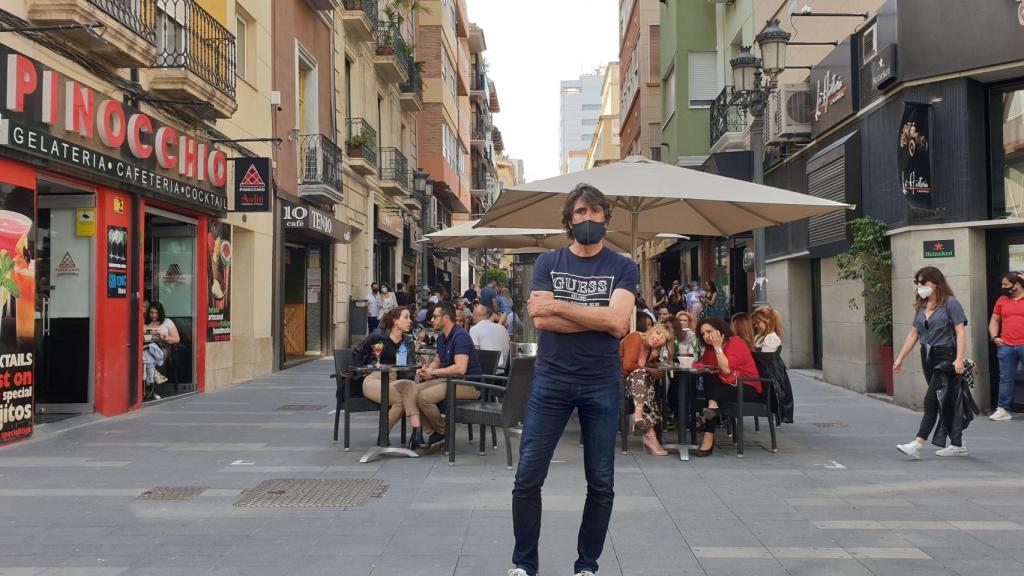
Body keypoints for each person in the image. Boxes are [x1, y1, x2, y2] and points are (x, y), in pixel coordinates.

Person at [510, 183, 637, 576]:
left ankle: (587, 567)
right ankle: (523, 565)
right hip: (551, 382)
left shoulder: (623, 266)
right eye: (580, 212)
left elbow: (618, 322)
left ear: (605, 218)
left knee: (600, 481)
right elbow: (540, 320)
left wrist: (562, 307)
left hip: (602, 384)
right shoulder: (549, 262)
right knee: (527, 477)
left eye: (595, 212)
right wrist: (594, 318)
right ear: (569, 219)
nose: (588, 219)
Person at [893, 267, 970, 458]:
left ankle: (918, 443)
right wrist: (900, 358)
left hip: (946, 357)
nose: (920, 286)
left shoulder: (951, 304)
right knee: (940, 400)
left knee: (930, 400)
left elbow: (960, 333)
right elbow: (914, 333)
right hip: (927, 356)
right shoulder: (921, 306)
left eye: (924, 283)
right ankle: (958, 443)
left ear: (935, 283)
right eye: (917, 283)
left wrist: (959, 360)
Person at [354, 307, 428, 451]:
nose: (410, 321)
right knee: (404, 398)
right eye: (406, 317)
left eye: (410, 317)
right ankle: (415, 436)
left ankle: (405, 435)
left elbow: (410, 365)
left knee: (408, 388)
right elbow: (357, 352)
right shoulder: (378, 336)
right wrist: (363, 370)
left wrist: (418, 367)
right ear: (395, 321)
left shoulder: (408, 340)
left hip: (396, 380)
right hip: (375, 378)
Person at [416, 302, 483, 448]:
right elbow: (438, 360)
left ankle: (441, 432)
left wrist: (433, 373)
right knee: (412, 392)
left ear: (445, 318)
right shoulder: (441, 337)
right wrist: (428, 369)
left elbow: (460, 368)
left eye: (435, 316)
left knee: (424, 397)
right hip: (450, 380)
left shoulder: (461, 336)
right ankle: (435, 432)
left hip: (469, 384)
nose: (431, 320)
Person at [693, 317, 762, 457]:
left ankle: (707, 427)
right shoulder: (710, 349)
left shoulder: (736, 342)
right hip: (724, 388)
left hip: (747, 387)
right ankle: (710, 414)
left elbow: (726, 369)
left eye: (709, 331)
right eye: (703, 334)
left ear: (719, 330)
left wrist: (718, 347)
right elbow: (704, 365)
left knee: (713, 385)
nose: (706, 336)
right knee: (710, 378)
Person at [619, 324, 672, 456]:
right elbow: (627, 366)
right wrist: (649, 370)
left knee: (647, 381)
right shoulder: (636, 337)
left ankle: (646, 428)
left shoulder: (648, 351)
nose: (657, 339)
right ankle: (643, 425)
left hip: (632, 389)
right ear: (652, 330)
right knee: (641, 374)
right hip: (614, 382)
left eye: (662, 340)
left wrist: (651, 366)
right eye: (657, 333)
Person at [989, 271, 1024, 421]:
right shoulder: (1002, 300)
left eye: (1006, 284)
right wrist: (995, 337)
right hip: (1006, 345)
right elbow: (994, 320)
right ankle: (1003, 409)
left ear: (1016, 285)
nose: (1002, 287)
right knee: (1005, 378)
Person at [751, 306, 794, 424]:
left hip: (770, 375)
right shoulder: (759, 337)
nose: (756, 326)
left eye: (758, 322)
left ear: (767, 321)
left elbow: (765, 359)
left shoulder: (771, 338)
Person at [143, 301, 178, 395]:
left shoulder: (167, 322)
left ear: (160, 313)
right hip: (147, 347)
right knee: (145, 355)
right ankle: (154, 378)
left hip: (163, 347)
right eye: (151, 312)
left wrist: (164, 337)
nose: (153, 315)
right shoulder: (144, 323)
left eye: (156, 313)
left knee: (156, 355)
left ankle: (150, 387)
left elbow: (177, 339)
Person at [469, 304, 511, 369]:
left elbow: (475, 355)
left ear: (474, 316)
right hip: (505, 372)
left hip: (487, 374)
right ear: (487, 315)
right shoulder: (502, 328)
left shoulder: (474, 329)